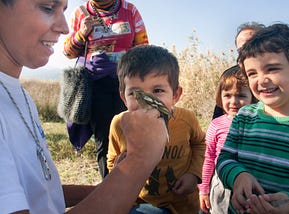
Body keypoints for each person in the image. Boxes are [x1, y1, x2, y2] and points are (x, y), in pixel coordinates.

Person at [0, 0, 167, 213]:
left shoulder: (19, 95)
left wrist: (116, 186)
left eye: (63, 10)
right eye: (48, 8)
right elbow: (69, 50)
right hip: (97, 90)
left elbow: (41, 191)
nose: (64, 26)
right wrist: (139, 162)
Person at [217, 23, 289, 214]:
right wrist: (238, 175)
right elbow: (225, 158)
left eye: (272, 69)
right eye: (252, 73)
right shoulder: (244, 117)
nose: (261, 80)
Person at [107, 45, 206, 214]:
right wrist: (119, 169)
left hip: (184, 205)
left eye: (158, 91)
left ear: (175, 95)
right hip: (141, 204)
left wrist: (193, 174)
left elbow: (200, 144)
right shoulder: (119, 124)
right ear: (123, 97)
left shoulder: (186, 120)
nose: (146, 101)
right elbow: (112, 160)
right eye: (135, 93)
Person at [63, 0, 149, 178]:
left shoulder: (130, 11)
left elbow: (144, 48)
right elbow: (67, 52)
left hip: (126, 84)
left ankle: (134, 189)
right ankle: (108, 190)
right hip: (96, 86)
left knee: (131, 137)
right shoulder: (81, 13)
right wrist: (82, 33)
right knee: (104, 139)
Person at [198, 65, 256, 214]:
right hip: (222, 186)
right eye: (228, 95)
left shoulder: (259, 123)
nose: (234, 102)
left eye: (241, 96)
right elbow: (209, 157)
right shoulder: (216, 125)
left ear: (252, 97)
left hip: (252, 184)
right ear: (220, 97)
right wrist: (203, 189)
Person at [212, 22, 265, 119]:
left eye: (251, 47)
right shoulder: (230, 76)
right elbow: (219, 114)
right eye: (241, 50)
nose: (247, 53)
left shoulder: (279, 77)